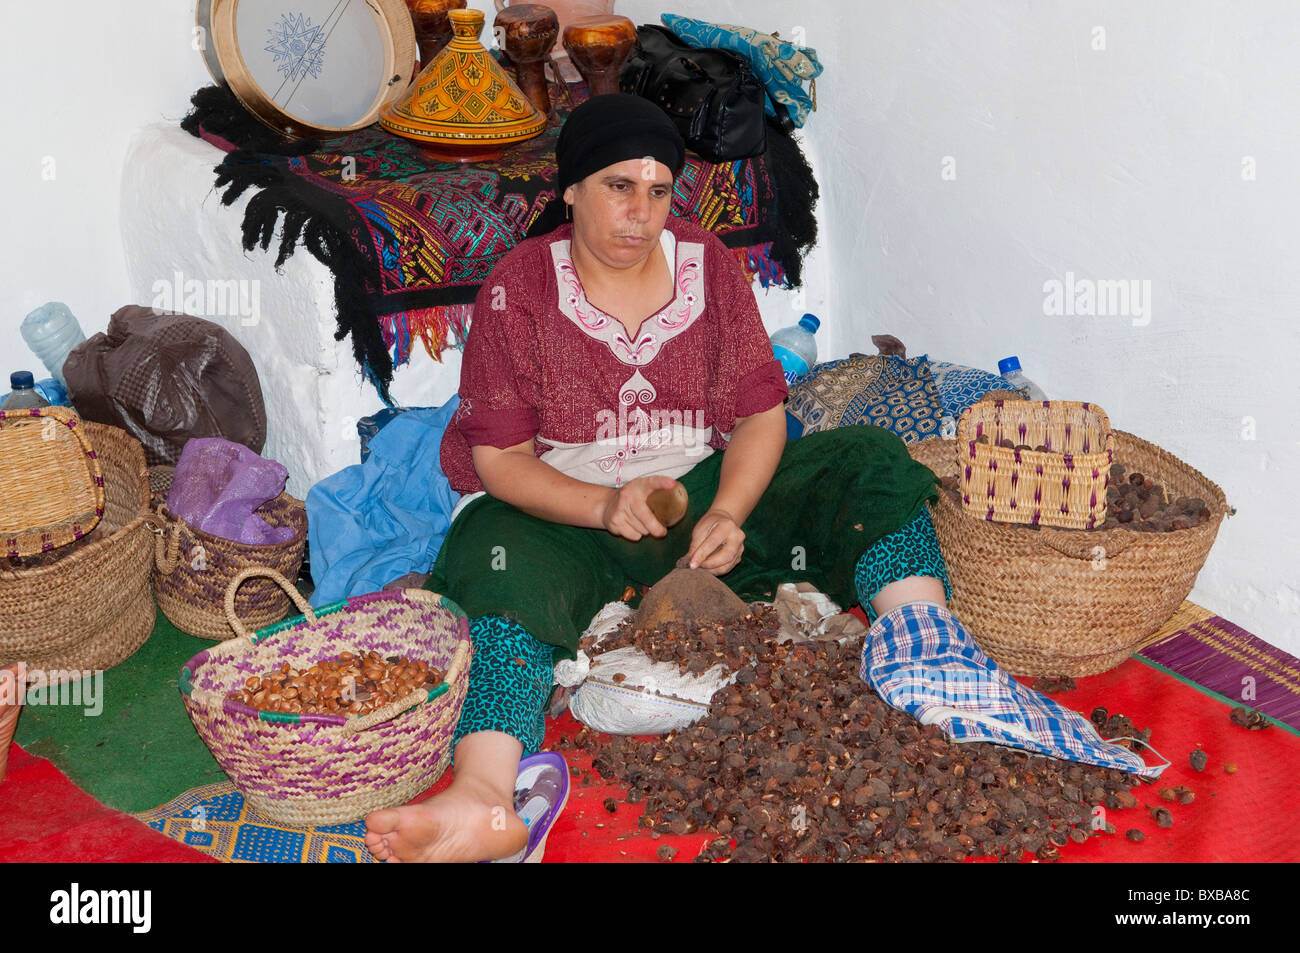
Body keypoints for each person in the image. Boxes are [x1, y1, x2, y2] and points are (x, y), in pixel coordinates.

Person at [364, 95, 951, 862]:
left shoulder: (709, 266)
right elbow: (498, 461)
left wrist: (731, 511)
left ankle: (932, 660)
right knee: (490, 552)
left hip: (696, 491)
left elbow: (761, 416)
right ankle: (484, 796)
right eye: (617, 187)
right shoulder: (518, 289)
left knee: (866, 460)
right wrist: (605, 505)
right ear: (570, 189)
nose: (639, 214)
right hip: (566, 513)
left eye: (658, 191)